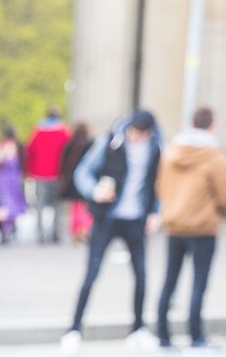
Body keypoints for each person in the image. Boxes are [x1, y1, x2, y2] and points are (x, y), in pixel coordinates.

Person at [65, 109, 163, 350]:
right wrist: (95, 190)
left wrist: (155, 212)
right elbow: (82, 172)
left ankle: (138, 328)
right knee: (92, 273)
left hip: (136, 220)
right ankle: (74, 329)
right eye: (133, 131)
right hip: (107, 218)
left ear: (149, 132)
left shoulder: (156, 148)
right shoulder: (111, 142)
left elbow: (159, 184)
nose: (135, 137)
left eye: (140, 133)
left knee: (141, 275)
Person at [153, 107, 226, 349]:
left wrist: (172, 209)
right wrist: (219, 212)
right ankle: (195, 336)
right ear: (213, 125)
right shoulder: (215, 155)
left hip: (174, 224)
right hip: (203, 227)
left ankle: (163, 335)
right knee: (198, 283)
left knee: (169, 280)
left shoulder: (171, 151)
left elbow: (160, 186)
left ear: (191, 123)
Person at [26, 107, 71, 244]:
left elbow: (30, 151)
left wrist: (29, 171)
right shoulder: (64, 132)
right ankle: (55, 233)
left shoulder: (37, 131)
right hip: (58, 174)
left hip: (40, 173)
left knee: (40, 205)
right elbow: (68, 153)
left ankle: (40, 234)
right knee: (58, 205)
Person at [57, 122, 94, 244]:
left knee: (75, 208)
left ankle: (76, 231)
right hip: (86, 180)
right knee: (86, 207)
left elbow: (63, 163)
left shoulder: (69, 145)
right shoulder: (91, 145)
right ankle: (84, 229)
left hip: (72, 181)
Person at [0, 128, 25, 244]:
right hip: (12, 180)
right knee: (10, 204)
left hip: (1, 179)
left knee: (5, 203)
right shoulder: (15, 146)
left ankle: (6, 228)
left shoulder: (1, 145)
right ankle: (9, 227)